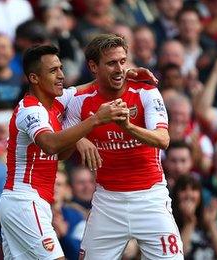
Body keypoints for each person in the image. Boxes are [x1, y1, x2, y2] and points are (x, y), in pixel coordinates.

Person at [0, 45, 126, 259]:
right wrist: (95, 120)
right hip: (24, 201)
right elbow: (50, 145)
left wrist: (126, 74)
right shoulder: (30, 110)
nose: (61, 75)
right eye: (53, 71)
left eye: (61, 68)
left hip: (32, 202)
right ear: (34, 78)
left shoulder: (57, 102)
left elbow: (93, 86)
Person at [64, 34, 182, 259]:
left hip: (150, 199)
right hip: (107, 202)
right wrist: (79, 138)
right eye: (111, 63)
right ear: (93, 66)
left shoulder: (145, 91)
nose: (119, 69)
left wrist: (127, 126)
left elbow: (163, 140)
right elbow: (60, 150)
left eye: (122, 61)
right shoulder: (80, 100)